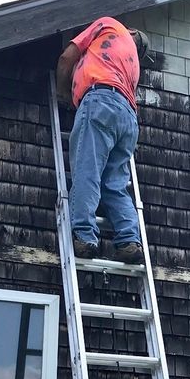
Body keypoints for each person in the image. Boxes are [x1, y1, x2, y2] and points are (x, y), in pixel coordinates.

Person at [55, 17, 151, 264]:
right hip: (128, 118)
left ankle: (85, 237)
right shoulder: (132, 65)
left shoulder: (109, 25)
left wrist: (64, 93)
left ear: (130, 30)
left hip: (101, 99)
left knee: (87, 171)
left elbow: (67, 57)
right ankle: (129, 241)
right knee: (115, 184)